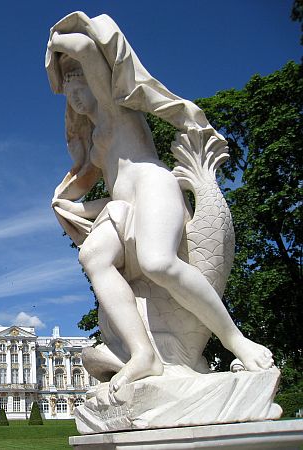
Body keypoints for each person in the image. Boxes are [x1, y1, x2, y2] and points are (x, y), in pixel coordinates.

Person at [46, 12, 273, 404]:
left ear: (93, 82)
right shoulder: (96, 138)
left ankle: (236, 340)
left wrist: (54, 45)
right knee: (93, 256)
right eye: (70, 95)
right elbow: (80, 187)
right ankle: (143, 354)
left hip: (153, 186)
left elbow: (83, 46)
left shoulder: (115, 107)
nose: (75, 98)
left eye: (78, 87)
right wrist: (65, 205)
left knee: (158, 262)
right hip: (122, 204)